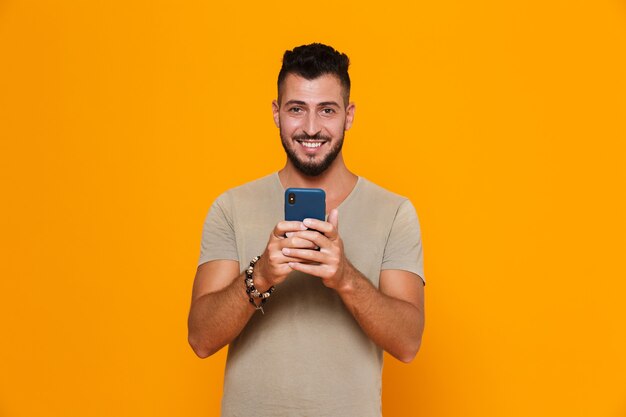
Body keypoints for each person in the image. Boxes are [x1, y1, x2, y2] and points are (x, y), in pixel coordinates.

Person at [188, 43, 425, 417]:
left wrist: (345, 276)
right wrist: (261, 275)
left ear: (348, 116)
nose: (311, 128)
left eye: (326, 110)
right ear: (276, 113)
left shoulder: (394, 212)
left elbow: (409, 343)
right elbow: (200, 338)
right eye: (296, 109)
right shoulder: (231, 207)